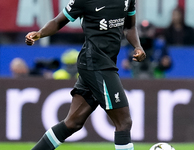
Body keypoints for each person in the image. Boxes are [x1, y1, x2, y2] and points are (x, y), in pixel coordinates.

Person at [25, 0, 146, 150]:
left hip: (103, 64)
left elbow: (129, 26)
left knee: (73, 122)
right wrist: (40, 33)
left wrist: (138, 46)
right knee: (124, 122)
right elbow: (58, 22)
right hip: (95, 64)